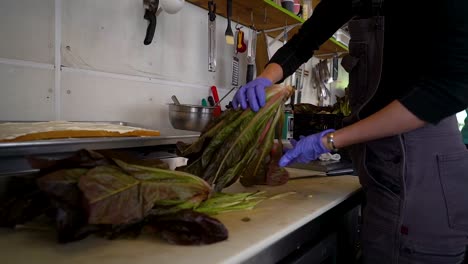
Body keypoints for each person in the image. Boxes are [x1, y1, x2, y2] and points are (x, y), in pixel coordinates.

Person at [232, 0, 468, 263]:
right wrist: (265, 78)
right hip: (377, 167)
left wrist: (332, 140)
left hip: (423, 171)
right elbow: (306, 40)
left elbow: (449, 88)